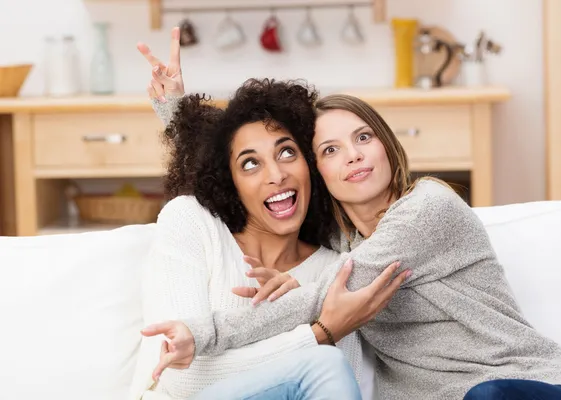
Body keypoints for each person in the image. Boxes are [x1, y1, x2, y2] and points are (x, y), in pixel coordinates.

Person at [149, 81, 561, 398]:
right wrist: (176, 116)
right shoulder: (342, 244)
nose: (354, 154)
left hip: (528, 387)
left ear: (385, 144)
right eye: (330, 150)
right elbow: (243, 182)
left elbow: (331, 290)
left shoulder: (426, 209)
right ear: (318, 171)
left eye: (363, 137)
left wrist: (203, 332)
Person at [131, 28, 406, 400]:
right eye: (250, 164)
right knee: (322, 362)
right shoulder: (192, 222)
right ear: (230, 182)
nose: (276, 175)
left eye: (288, 153)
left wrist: (298, 311)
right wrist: (318, 333)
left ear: (312, 164)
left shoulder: (334, 271)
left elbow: (344, 384)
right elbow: (183, 381)